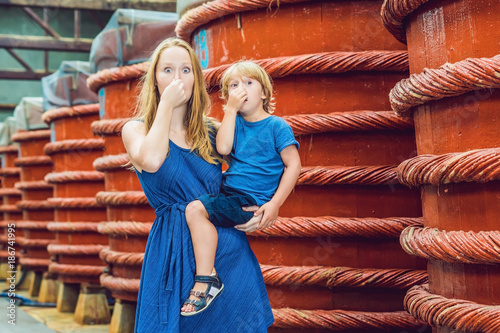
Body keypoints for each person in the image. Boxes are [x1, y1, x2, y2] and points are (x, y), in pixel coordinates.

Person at [121, 38, 274, 332]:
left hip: (227, 251)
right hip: (172, 254)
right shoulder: (136, 129)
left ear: (196, 79)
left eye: (186, 70)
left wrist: (271, 207)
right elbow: (152, 160)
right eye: (167, 70)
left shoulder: (212, 131)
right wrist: (166, 105)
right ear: (154, 79)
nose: (177, 78)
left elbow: (263, 161)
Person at [181, 61, 301, 315]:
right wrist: (231, 111)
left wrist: (275, 204)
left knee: (194, 210)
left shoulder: (276, 126)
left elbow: (294, 165)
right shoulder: (233, 124)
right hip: (228, 193)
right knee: (190, 206)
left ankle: (206, 280)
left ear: (264, 92)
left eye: (248, 83)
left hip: (248, 200)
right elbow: (223, 148)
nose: (241, 90)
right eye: (234, 86)